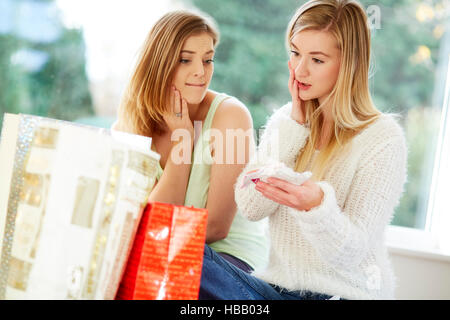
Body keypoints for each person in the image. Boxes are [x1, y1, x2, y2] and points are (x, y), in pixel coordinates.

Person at [199, 0, 407, 300]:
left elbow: (352, 252)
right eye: (295, 53)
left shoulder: (383, 138)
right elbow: (251, 207)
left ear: (349, 64)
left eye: (317, 60)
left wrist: (316, 206)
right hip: (276, 291)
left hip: (343, 294)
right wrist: (295, 124)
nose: (299, 70)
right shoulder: (286, 122)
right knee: (184, 253)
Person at [113, 10, 269, 273]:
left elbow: (216, 227)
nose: (201, 72)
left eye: (208, 60)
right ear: (159, 64)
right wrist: (181, 144)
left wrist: (183, 139)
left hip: (227, 263)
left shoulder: (230, 115)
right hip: (163, 259)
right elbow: (156, 219)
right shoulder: (130, 126)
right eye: (186, 60)